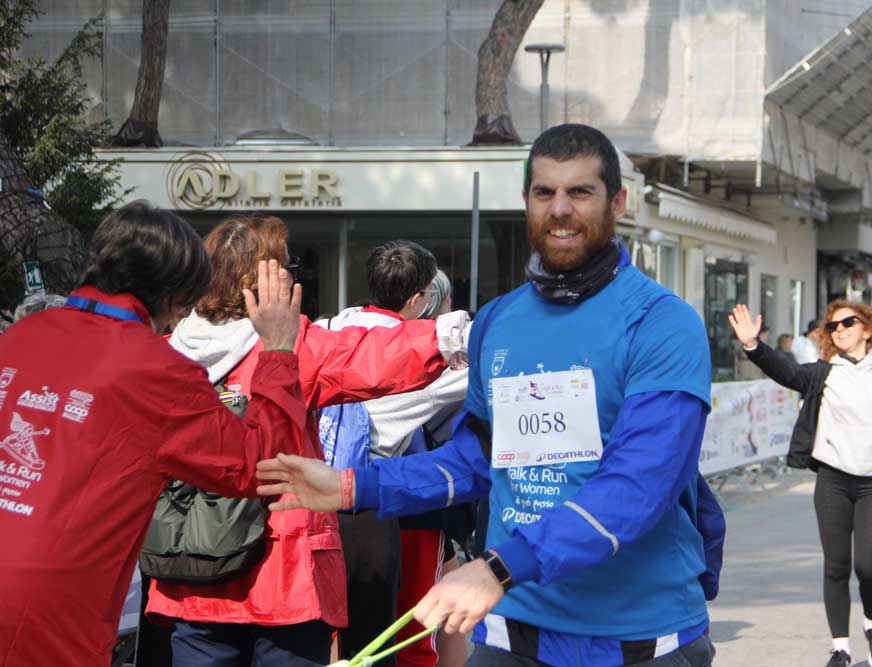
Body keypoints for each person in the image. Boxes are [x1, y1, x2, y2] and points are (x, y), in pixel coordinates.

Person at [257, 124, 723, 667]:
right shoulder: (499, 321)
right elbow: (476, 458)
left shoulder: (662, 323)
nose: (560, 209)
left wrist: (500, 567)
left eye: (580, 192)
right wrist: (351, 485)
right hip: (511, 635)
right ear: (526, 200)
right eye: (544, 192)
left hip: (637, 640)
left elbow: (638, 486)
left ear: (616, 202)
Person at [144, 216, 469, 667]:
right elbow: (376, 358)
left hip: (190, 576)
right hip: (282, 577)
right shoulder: (293, 347)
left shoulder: (163, 353)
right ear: (265, 280)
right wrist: (460, 335)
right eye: (288, 267)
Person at [0, 201, 312, 666]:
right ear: (174, 295)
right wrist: (280, 350)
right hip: (48, 606)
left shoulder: (18, 337)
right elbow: (257, 465)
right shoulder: (157, 370)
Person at [728, 300, 872, 667]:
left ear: (867, 329)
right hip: (833, 481)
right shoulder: (823, 373)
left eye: (847, 323)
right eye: (832, 326)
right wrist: (753, 345)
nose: (839, 329)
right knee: (836, 565)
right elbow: (787, 372)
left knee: (869, 566)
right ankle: (840, 648)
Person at [314, 250, 470, 667]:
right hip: (368, 507)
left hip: (310, 496)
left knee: (319, 632)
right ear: (417, 300)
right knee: (374, 643)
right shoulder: (424, 360)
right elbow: (486, 373)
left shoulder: (329, 327)